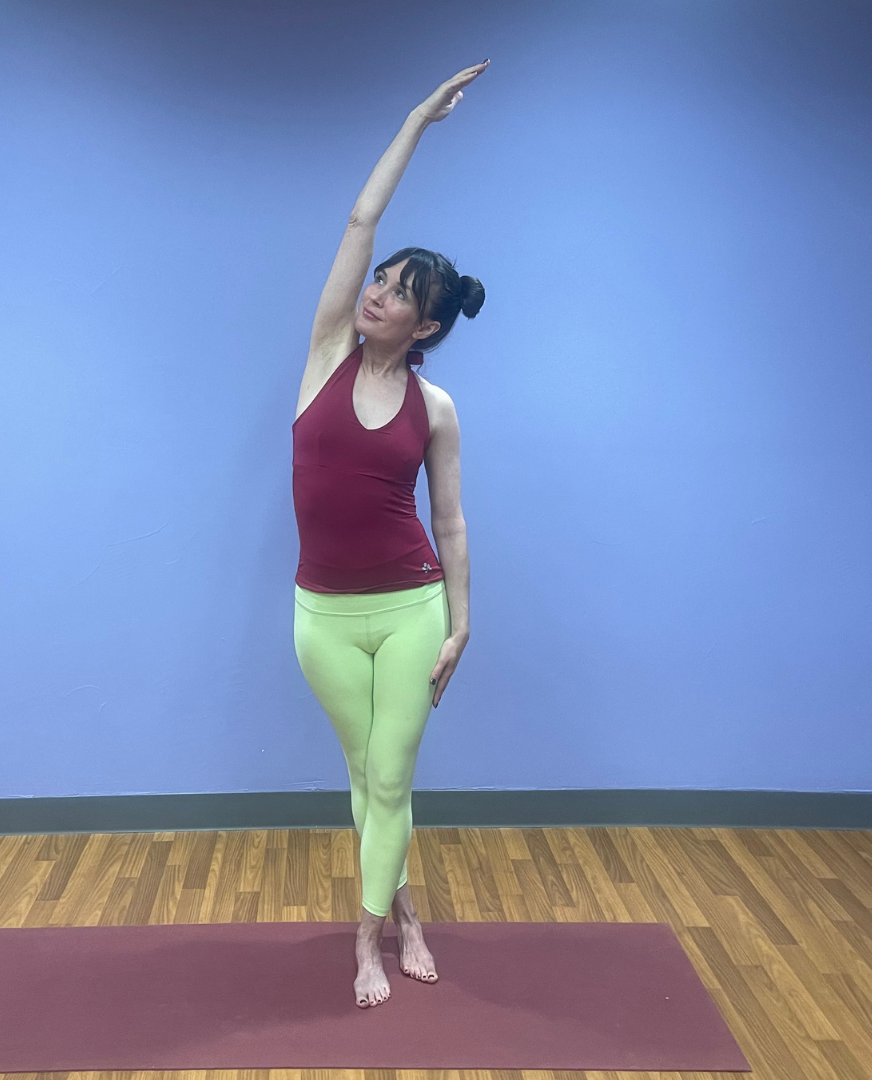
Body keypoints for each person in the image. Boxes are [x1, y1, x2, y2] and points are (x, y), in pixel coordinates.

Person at [292, 61, 489, 1009]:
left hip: (412, 607)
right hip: (323, 616)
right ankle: (408, 910)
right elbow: (358, 221)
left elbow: (448, 519)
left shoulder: (437, 405)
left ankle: (367, 939)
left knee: (391, 770)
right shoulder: (326, 355)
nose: (377, 290)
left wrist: (462, 622)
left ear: (428, 326)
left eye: (401, 291)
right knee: (368, 777)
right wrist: (417, 119)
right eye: (379, 280)